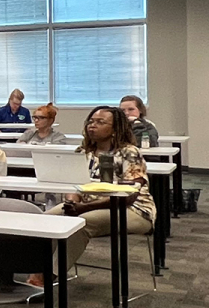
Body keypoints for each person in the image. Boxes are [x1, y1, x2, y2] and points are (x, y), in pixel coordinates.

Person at [44, 106, 155, 252]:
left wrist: (84, 208)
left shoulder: (129, 152)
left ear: (115, 129)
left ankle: (48, 274)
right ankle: (38, 267)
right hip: (86, 205)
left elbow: (128, 196)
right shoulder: (83, 152)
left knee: (80, 224)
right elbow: (74, 183)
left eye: (100, 122)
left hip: (132, 210)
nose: (92, 126)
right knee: (45, 221)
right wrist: (72, 202)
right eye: (90, 122)